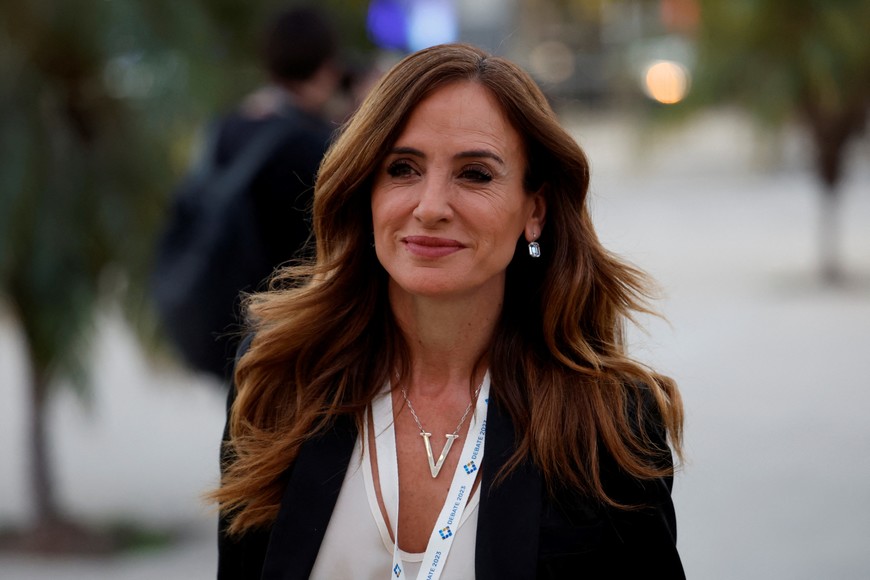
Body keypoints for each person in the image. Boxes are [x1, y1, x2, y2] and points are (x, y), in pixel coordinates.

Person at [212, 43, 685, 579]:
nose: (431, 206)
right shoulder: (282, 377)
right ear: (366, 189)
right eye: (403, 168)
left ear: (535, 210)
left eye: (475, 174)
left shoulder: (606, 419)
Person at [153, 6, 343, 380]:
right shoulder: (313, 147)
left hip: (223, 317)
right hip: (282, 331)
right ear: (329, 68)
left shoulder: (227, 127)